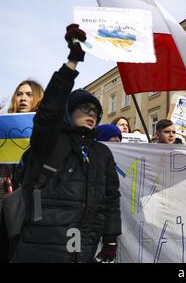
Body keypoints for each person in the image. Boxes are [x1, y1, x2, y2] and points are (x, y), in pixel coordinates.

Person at [7, 24, 121, 263]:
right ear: (69, 112)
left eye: (96, 112)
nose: (92, 114)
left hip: (83, 247)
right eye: (85, 108)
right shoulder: (50, 139)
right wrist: (72, 62)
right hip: (40, 245)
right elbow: (49, 109)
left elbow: (111, 198)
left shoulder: (102, 153)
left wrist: (110, 239)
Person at [1, 80, 44, 199]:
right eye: (19, 94)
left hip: (36, 196)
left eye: (29, 94)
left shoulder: (46, 129)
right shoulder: (3, 128)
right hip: (8, 196)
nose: (23, 98)